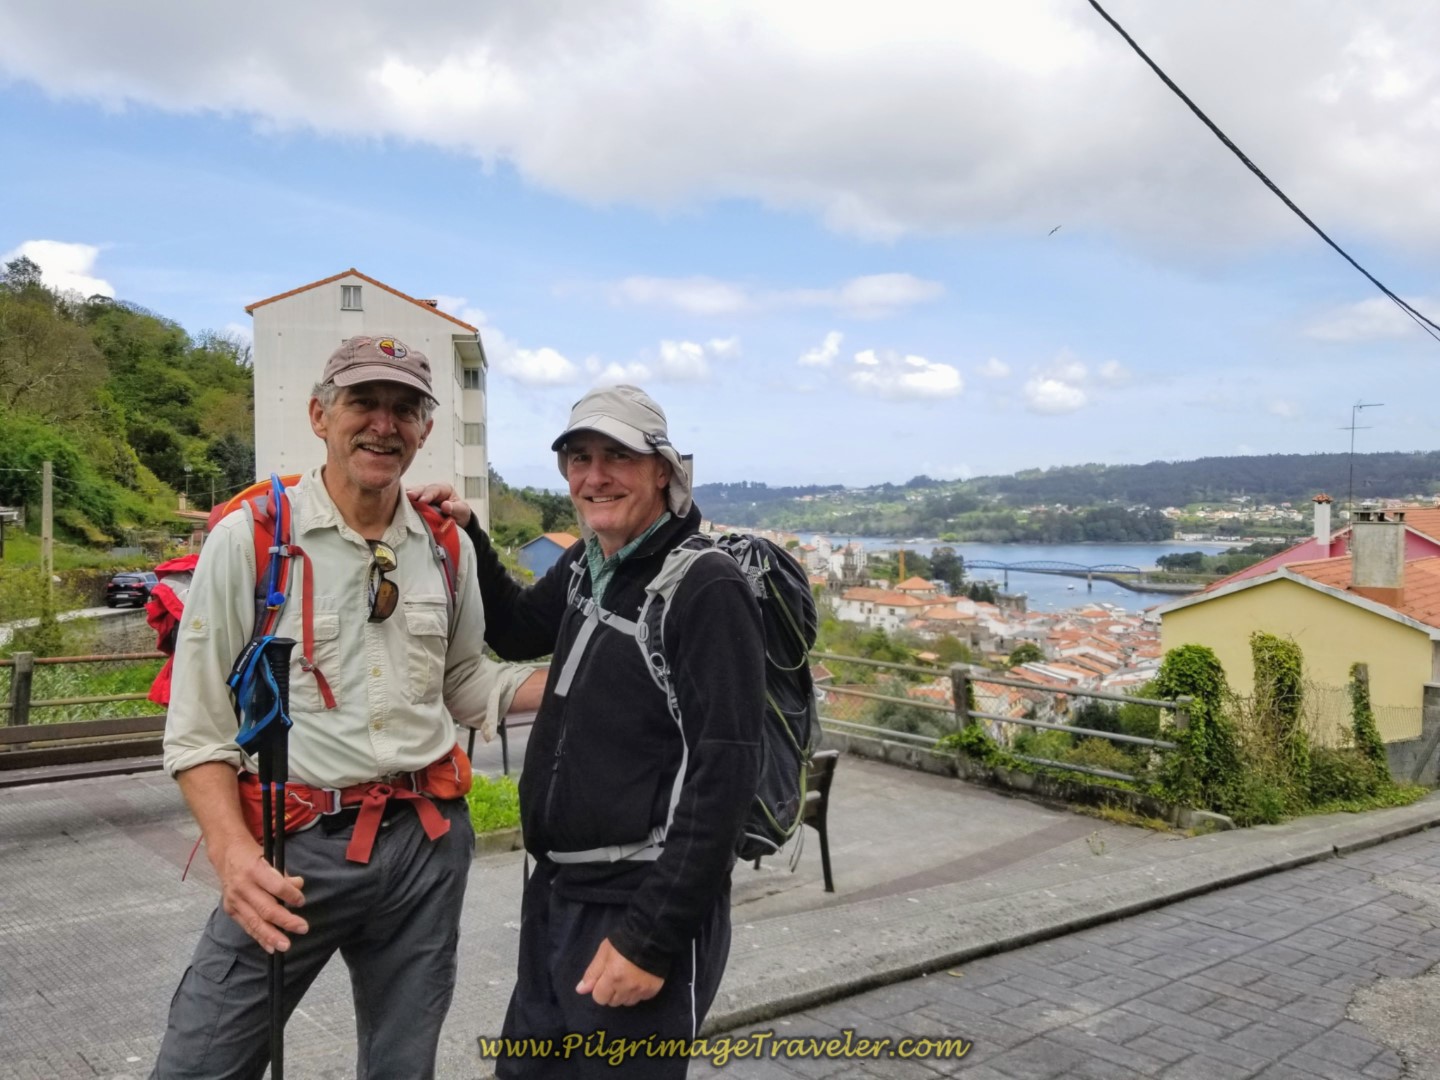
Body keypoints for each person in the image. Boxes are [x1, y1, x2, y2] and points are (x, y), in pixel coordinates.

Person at [153, 334, 544, 1080]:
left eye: (405, 408)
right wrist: (235, 856)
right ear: (319, 415)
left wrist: (582, 684)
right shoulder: (253, 540)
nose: (384, 424)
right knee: (198, 1065)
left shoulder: (443, 545)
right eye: (363, 402)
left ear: (426, 429)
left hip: (427, 845)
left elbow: (465, 681)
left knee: (403, 1069)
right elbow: (198, 729)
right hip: (291, 849)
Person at [428, 384, 764, 1078]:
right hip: (557, 896)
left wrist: (651, 938)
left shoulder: (704, 586)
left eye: (618, 456)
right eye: (580, 458)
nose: (595, 475)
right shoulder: (590, 565)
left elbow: (725, 771)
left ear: (663, 471)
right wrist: (468, 534)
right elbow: (519, 627)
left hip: (635, 904)